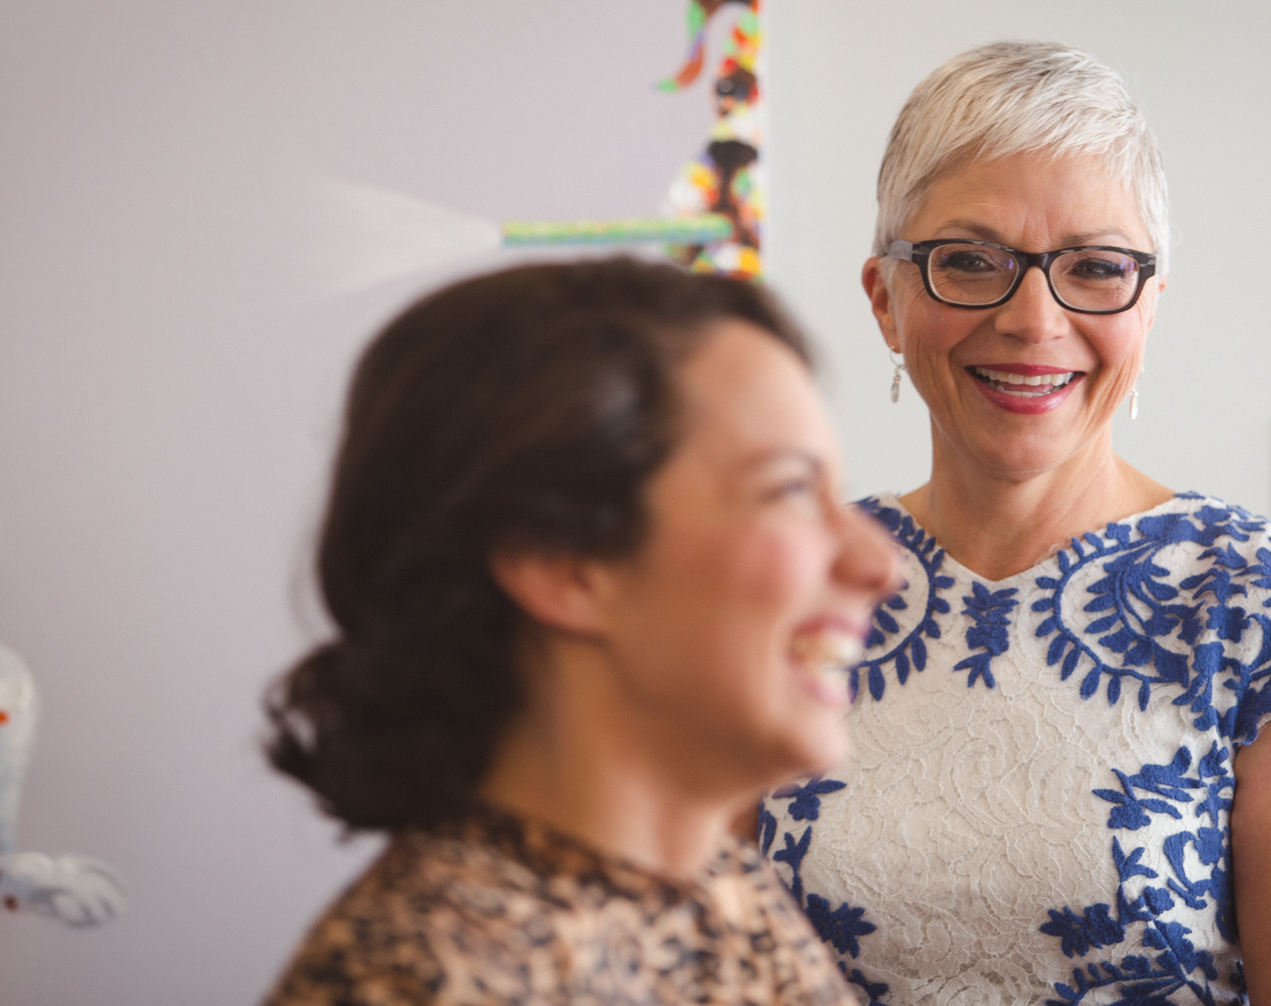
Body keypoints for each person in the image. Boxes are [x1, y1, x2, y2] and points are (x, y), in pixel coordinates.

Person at [756, 42, 1271, 1006]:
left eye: (1097, 267)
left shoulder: (1268, 605)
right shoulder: (781, 590)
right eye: (970, 261)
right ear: (885, 300)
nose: (1034, 318)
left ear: (1149, 304)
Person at [262, 258, 898, 1005]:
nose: (878, 563)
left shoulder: (715, 889)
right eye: (791, 489)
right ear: (560, 563)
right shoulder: (422, 979)